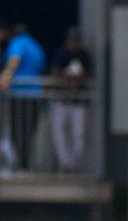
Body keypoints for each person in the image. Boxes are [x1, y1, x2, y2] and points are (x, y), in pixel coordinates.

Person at [0, 22, 46, 171]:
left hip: (20, 95)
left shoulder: (18, 42)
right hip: (36, 95)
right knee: (28, 133)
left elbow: (15, 58)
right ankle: (26, 165)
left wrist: (6, 76)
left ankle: (21, 166)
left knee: (17, 132)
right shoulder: (36, 46)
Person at [48, 27, 92, 173]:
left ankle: (75, 165)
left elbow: (90, 75)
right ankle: (64, 164)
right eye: (71, 40)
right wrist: (68, 78)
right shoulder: (61, 54)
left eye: (76, 40)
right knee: (61, 133)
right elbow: (55, 72)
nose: (73, 43)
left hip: (79, 102)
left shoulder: (84, 55)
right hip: (62, 100)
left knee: (78, 135)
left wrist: (76, 79)